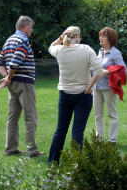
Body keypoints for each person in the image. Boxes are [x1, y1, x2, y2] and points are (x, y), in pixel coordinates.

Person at [48, 26, 103, 164]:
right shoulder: (86, 49)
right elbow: (98, 70)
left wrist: (61, 37)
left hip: (65, 94)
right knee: (77, 131)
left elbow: (51, 47)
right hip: (83, 95)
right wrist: (89, 87)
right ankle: (76, 164)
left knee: (60, 129)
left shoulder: (60, 50)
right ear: (77, 35)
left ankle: (52, 162)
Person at [0, 16, 45, 157]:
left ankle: (10, 149)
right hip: (24, 84)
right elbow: (15, 63)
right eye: (31, 27)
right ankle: (32, 150)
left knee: (13, 118)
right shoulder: (23, 40)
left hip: (13, 85)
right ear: (25, 25)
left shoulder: (9, 40)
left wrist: (7, 77)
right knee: (31, 118)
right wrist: (8, 77)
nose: (32, 29)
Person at [92, 27, 127, 144]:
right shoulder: (99, 51)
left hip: (109, 88)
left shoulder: (115, 53)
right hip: (96, 87)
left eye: (104, 36)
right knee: (98, 114)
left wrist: (108, 71)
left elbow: (124, 70)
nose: (100, 38)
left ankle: (112, 140)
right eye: (100, 35)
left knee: (112, 114)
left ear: (110, 39)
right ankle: (99, 140)